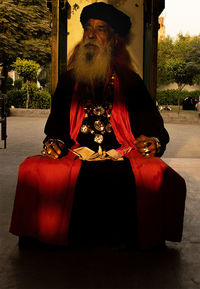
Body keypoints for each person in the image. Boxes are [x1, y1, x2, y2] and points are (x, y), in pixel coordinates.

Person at [10, 2, 186, 249]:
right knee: (31, 169)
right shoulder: (68, 81)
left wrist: (154, 142)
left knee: (157, 174)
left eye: (100, 29)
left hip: (120, 157)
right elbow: (55, 129)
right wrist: (54, 142)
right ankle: (44, 234)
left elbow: (157, 130)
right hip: (76, 154)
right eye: (87, 29)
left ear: (113, 40)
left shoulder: (131, 82)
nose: (91, 35)